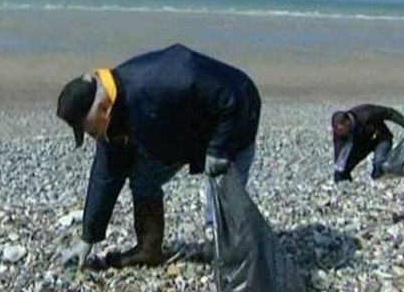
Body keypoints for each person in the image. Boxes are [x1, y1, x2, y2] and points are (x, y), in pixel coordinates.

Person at [56, 44, 261, 268]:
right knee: (143, 178)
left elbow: (234, 98)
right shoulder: (110, 124)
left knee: (221, 187)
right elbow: (106, 176)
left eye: (90, 130)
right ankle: (148, 249)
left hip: (235, 116)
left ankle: (226, 250)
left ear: (103, 109)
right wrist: (89, 237)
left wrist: (219, 150)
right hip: (176, 135)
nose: (92, 136)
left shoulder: (170, 79)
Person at [331, 104, 404, 182]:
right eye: (337, 131)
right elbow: (340, 154)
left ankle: (380, 181)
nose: (339, 133)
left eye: (341, 130)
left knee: (379, 162)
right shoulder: (339, 132)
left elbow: (389, 112)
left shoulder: (366, 113)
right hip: (361, 145)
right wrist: (340, 172)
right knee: (342, 170)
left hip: (380, 138)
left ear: (347, 122)